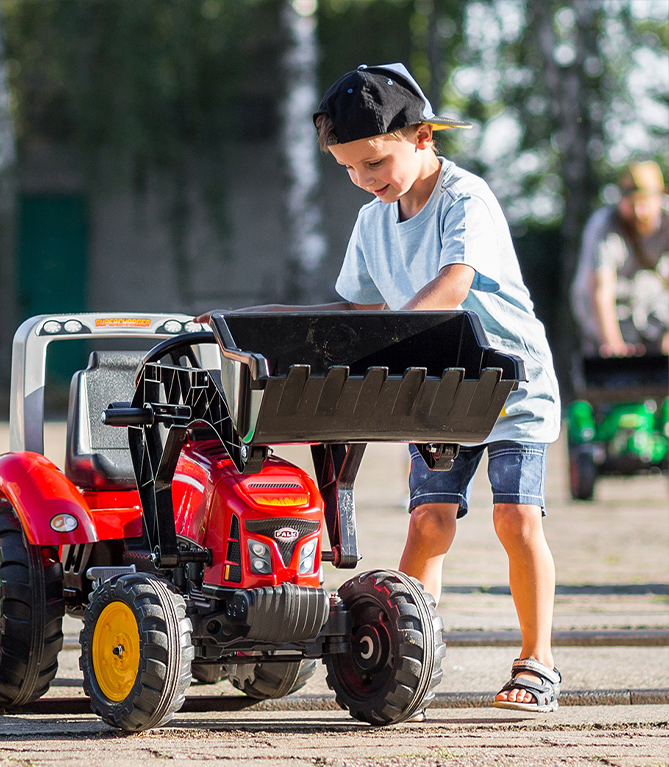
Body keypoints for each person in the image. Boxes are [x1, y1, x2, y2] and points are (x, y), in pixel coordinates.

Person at [197, 62, 562, 713]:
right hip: (438, 390)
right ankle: (404, 653)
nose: (365, 180)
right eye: (349, 169)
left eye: (374, 161)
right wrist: (267, 322)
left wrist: (391, 344)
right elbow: (355, 315)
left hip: (510, 387)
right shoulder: (373, 223)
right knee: (428, 522)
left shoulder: (464, 198)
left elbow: (454, 286)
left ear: (422, 137)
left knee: (516, 518)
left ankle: (538, 663)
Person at [571, 161, 669, 356]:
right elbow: (601, 293)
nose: (639, 212)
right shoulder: (604, 226)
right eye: (632, 204)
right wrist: (614, 349)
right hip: (608, 316)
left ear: (660, 199)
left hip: (652, 311)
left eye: (645, 203)